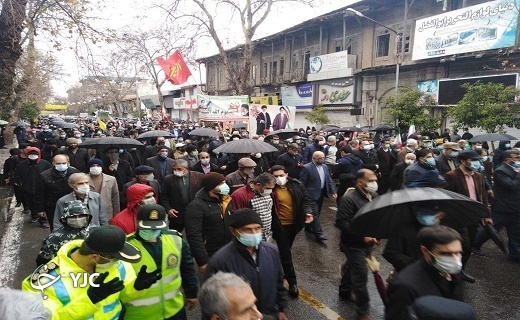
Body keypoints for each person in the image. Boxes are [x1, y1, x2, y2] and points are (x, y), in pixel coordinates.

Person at [22, 225, 159, 319]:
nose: (118, 262)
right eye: (115, 258)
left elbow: (122, 296)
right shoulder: (40, 282)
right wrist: (89, 301)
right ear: (95, 257)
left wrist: (136, 288)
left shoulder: (118, 264)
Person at [203, 208, 288, 320]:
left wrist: (280, 309)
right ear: (233, 231)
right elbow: (211, 303)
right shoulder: (220, 261)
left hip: (268, 315)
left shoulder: (272, 251)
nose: (254, 233)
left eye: (257, 228)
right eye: (248, 230)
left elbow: (278, 282)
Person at [124, 204, 198, 320]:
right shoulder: (126, 246)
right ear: (137, 221)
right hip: (140, 315)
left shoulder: (176, 240)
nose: (152, 231)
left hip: (174, 310)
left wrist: (191, 293)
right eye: (148, 227)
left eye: (156, 227)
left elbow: (187, 268)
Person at [385, 226, 464, 320]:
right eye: (446, 254)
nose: (455, 259)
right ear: (425, 251)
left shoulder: (452, 273)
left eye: (458, 253)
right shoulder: (405, 287)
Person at [336, 169, 380, 320]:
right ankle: (362, 312)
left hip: (367, 243)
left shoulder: (373, 196)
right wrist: (363, 237)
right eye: (371, 180)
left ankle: (344, 290)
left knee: (352, 265)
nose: (374, 183)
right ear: (360, 182)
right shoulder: (348, 199)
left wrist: (377, 234)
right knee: (361, 275)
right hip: (353, 243)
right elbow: (342, 223)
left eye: (375, 180)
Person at [443, 150, 490, 282]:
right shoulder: (451, 176)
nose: (477, 163)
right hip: (458, 217)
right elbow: (446, 198)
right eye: (473, 160)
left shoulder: (479, 176)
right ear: (463, 161)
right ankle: (452, 270)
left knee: (470, 245)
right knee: (464, 243)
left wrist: (486, 214)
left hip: (474, 216)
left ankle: (460, 269)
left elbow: (483, 196)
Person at [270, 165, 315, 297]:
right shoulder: (270, 189)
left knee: (286, 250)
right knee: (286, 253)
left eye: (281, 175)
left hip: (294, 225)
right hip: (279, 226)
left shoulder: (296, 185)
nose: (279, 178)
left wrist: (308, 212)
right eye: (276, 176)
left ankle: (281, 268)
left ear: (286, 174)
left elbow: (306, 199)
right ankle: (292, 282)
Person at [473, 150, 520, 262]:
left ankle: (515, 255)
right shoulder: (500, 171)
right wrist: (518, 174)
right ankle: (475, 244)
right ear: (508, 159)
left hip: (516, 207)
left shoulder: (515, 169)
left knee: (516, 232)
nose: (518, 159)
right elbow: (511, 185)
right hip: (503, 208)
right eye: (517, 157)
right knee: (492, 229)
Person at [184, 173, 233, 272]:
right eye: (221, 184)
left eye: (224, 183)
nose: (225, 186)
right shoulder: (196, 206)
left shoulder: (225, 201)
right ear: (211, 186)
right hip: (210, 253)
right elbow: (194, 235)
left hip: (227, 251)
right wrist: (202, 261)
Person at [36, 200, 92, 266]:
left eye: (81, 216)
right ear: (65, 218)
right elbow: (44, 262)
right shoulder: (55, 238)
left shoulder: (95, 232)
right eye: (73, 217)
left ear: (87, 217)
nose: (77, 219)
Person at [35, 154, 80, 231]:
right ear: (53, 163)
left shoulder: (75, 173)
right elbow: (40, 193)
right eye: (58, 163)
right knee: (56, 228)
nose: (61, 165)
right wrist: (40, 209)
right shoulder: (45, 175)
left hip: (72, 205)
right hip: (53, 207)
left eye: (63, 163)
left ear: (68, 163)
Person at [300, 151, 337, 242]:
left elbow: (328, 180)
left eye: (323, 157)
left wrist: (332, 191)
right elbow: (302, 183)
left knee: (317, 212)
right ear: (314, 158)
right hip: (310, 195)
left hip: (321, 194)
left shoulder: (324, 167)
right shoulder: (307, 168)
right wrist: (303, 195)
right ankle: (319, 234)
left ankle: (308, 228)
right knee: (315, 213)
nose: (322, 159)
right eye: (320, 157)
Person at [231, 173, 278, 241]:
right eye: (267, 188)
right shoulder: (239, 195)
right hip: (251, 237)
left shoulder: (268, 194)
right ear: (258, 185)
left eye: (271, 189)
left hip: (267, 235)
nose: (270, 191)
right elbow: (237, 218)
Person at [160, 159, 204, 232]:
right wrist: (168, 209)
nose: (176, 171)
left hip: (194, 212)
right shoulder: (168, 179)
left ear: (186, 168)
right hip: (176, 213)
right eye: (174, 169)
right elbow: (164, 196)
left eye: (179, 169)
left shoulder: (199, 176)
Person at [14, 147, 52, 226]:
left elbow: (50, 174)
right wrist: (20, 183)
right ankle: (34, 215)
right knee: (31, 203)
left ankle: (43, 220)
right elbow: (17, 175)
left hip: (42, 189)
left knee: (41, 204)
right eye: (31, 154)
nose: (33, 156)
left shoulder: (45, 163)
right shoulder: (21, 165)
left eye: (35, 154)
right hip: (27, 188)